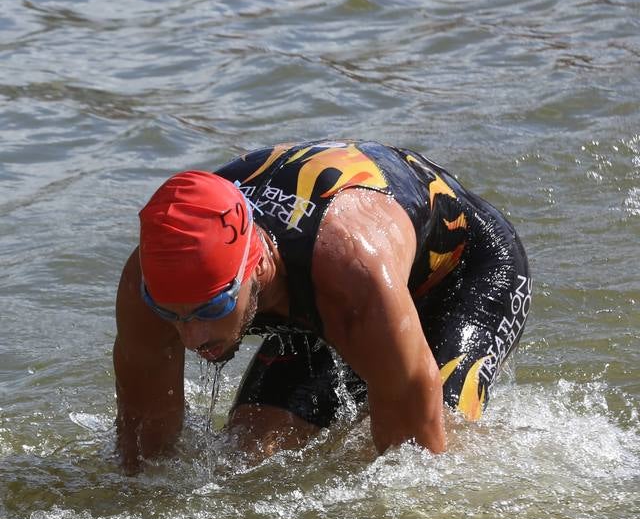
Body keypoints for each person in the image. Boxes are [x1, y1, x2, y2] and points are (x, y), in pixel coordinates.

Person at [114, 140, 531, 470]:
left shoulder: (350, 273)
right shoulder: (152, 279)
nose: (192, 337)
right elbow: (146, 461)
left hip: (459, 272)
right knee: (243, 460)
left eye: (212, 308)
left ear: (257, 264)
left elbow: (415, 487)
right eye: (173, 314)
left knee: (424, 456)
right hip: (325, 288)